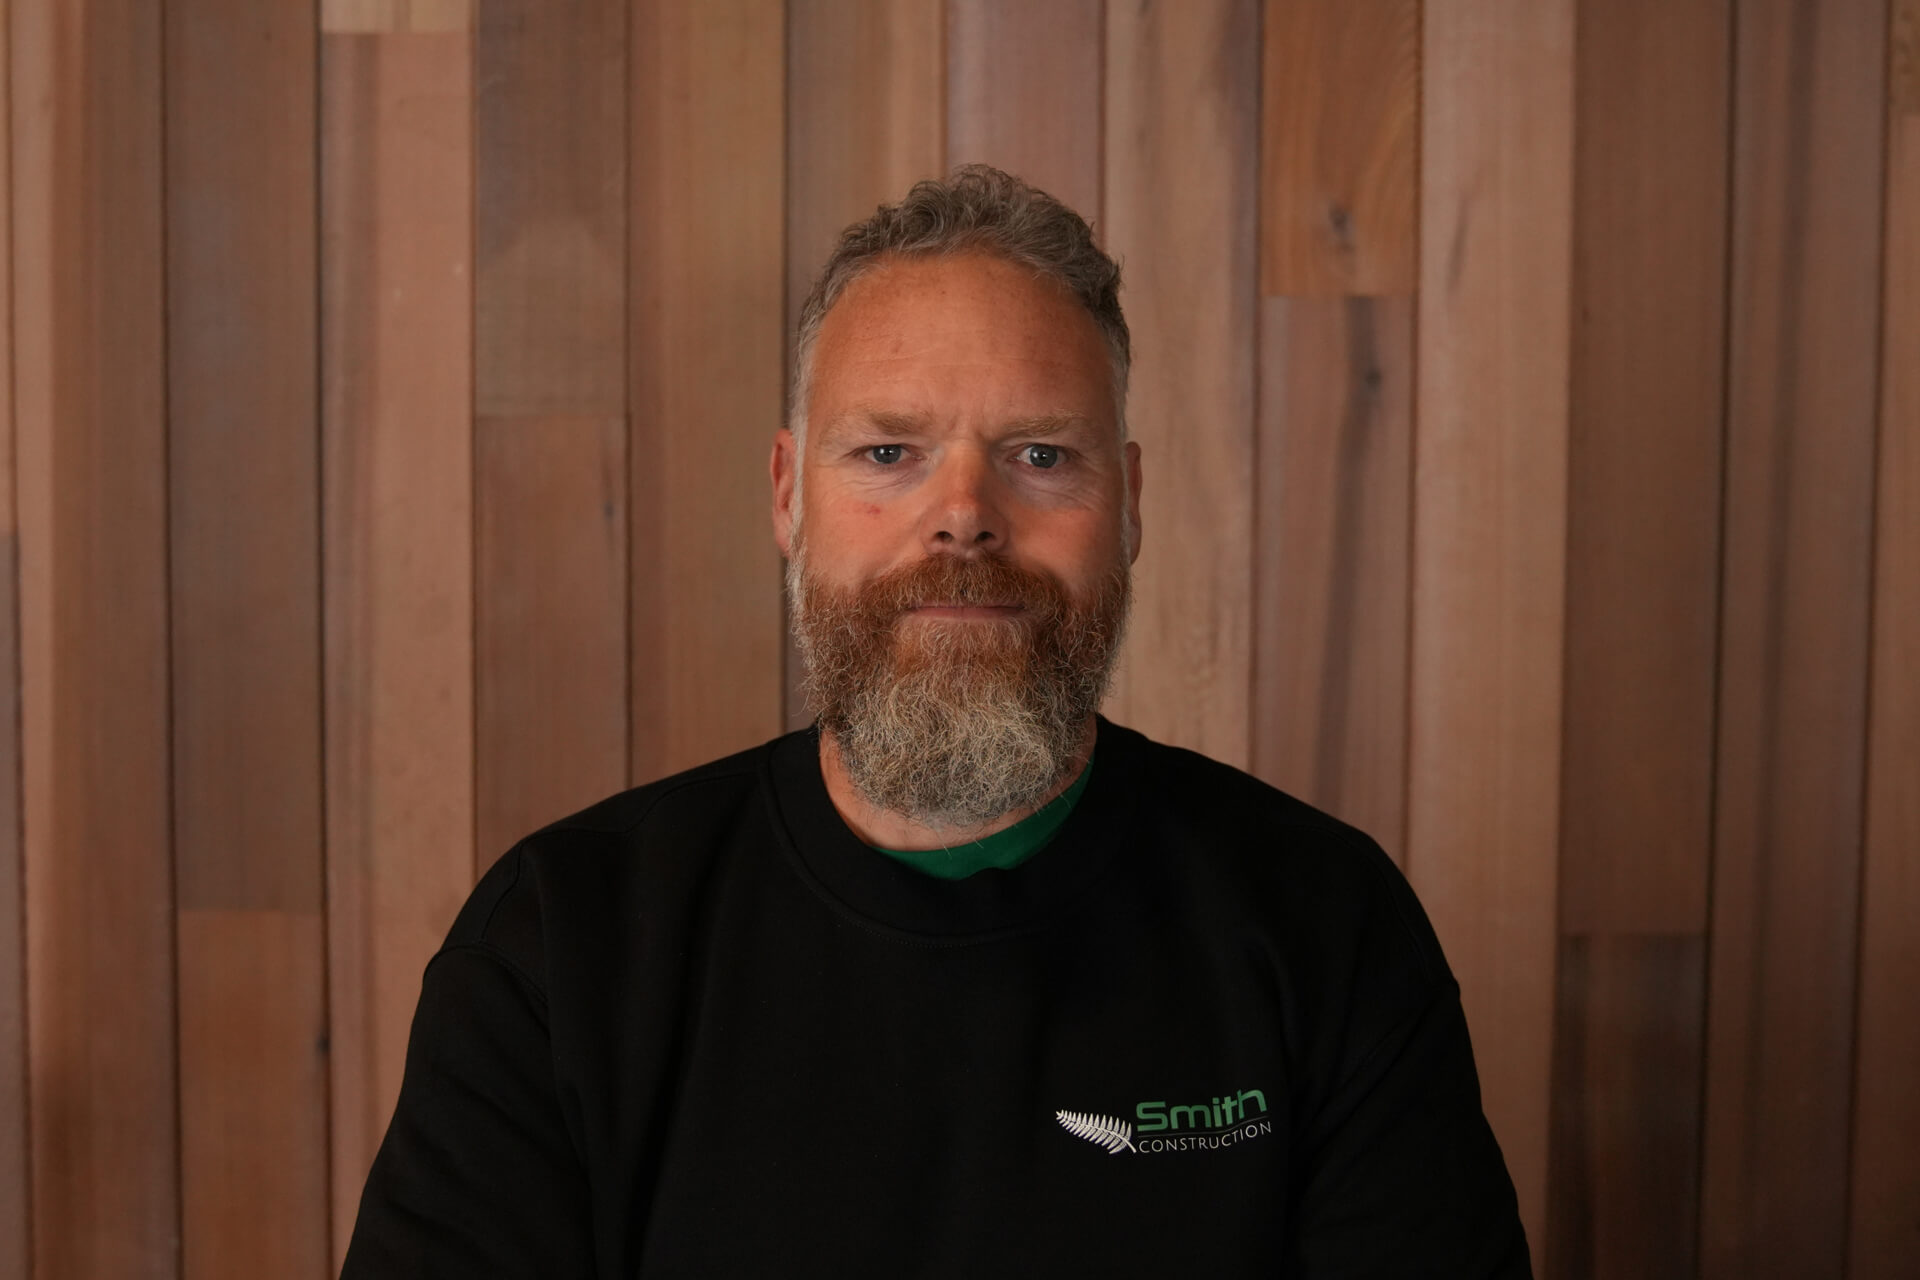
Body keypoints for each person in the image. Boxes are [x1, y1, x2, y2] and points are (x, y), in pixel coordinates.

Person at [341, 165, 1531, 1277]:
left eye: (1041, 453)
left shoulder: (1326, 927)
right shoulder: (559, 949)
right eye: (889, 451)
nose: (964, 514)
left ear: (1129, 506)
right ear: (788, 496)